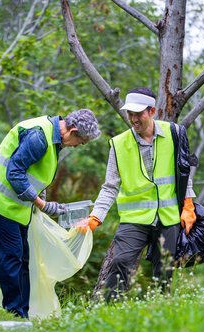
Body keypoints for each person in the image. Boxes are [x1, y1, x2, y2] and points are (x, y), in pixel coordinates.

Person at [0, 109, 100, 318]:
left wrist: (43, 196)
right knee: (12, 256)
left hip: (16, 207)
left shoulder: (54, 138)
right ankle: (13, 314)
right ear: (73, 131)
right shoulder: (39, 136)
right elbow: (14, 173)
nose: (77, 147)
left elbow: (35, 171)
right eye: (80, 142)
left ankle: (22, 314)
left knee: (23, 259)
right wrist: (41, 204)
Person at [79, 87, 197, 300]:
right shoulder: (119, 144)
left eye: (138, 114)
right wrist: (95, 217)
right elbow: (110, 186)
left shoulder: (174, 134)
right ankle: (110, 311)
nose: (133, 119)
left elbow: (183, 172)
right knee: (120, 262)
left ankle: (161, 312)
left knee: (164, 273)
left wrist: (188, 205)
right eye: (130, 114)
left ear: (152, 111)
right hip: (134, 219)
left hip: (168, 217)